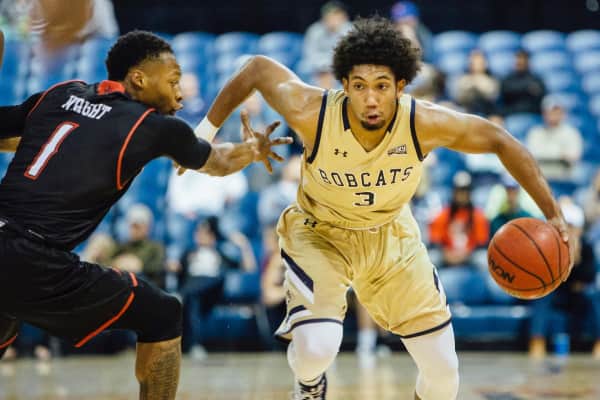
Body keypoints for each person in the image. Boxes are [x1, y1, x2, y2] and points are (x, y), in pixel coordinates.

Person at [183, 17, 573, 400]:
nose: (370, 99)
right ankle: (308, 384)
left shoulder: (422, 122)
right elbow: (256, 68)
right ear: (344, 85)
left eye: (382, 86)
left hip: (390, 237)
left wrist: (552, 213)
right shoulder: (313, 113)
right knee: (317, 350)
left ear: (401, 86)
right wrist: (203, 134)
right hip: (321, 234)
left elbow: (501, 141)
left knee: (443, 376)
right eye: (359, 86)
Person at [0, 30, 290, 399]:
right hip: (33, 260)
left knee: (5, 314)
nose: (180, 95)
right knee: (162, 313)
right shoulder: (151, 126)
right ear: (139, 78)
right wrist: (252, 150)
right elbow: (217, 160)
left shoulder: (61, 93)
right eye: (172, 81)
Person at [429, 171, 489, 269]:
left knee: (483, 259)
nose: (462, 194)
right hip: (446, 255)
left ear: (470, 193)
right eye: (459, 191)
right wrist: (447, 254)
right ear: (454, 192)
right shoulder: (443, 214)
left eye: (465, 191)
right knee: (431, 258)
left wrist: (465, 255)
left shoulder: (478, 216)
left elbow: (481, 244)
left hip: (470, 256)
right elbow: (435, 242)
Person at [525, 94, 583, 180]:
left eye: (557, 111)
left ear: (563, 113)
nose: (553, 115)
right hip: (540, 178)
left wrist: (547, 155)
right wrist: (560, 155)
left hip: (564, 178)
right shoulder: (535, 132)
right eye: (550, 112)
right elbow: (531, 156)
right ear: (544, 114)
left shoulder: (572, 133)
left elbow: (572, 157)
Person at [500, 49, 546, 115]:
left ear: (528, 61)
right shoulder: (507, 79)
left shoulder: (536, 79)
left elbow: (541, 94)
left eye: (523, 58)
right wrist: (527, 88)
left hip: (532, 113)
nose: (520, 61)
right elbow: (505, 91)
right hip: (512, 114)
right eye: (518, 58)